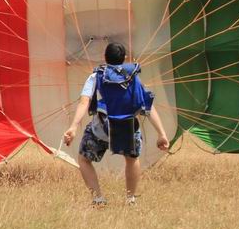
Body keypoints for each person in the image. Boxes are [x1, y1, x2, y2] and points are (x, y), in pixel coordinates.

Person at [62, 42, 169, 207]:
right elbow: (147, 106)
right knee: (132, 159)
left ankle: (98, 198)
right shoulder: (133, 77)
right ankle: (130, 199)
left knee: (83, 159)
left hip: (101, 129)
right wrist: (161, 133)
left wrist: (73, 127)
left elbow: (84, 102)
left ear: (104, 57)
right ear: (125, 58)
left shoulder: (96, 76)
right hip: (127, 127)